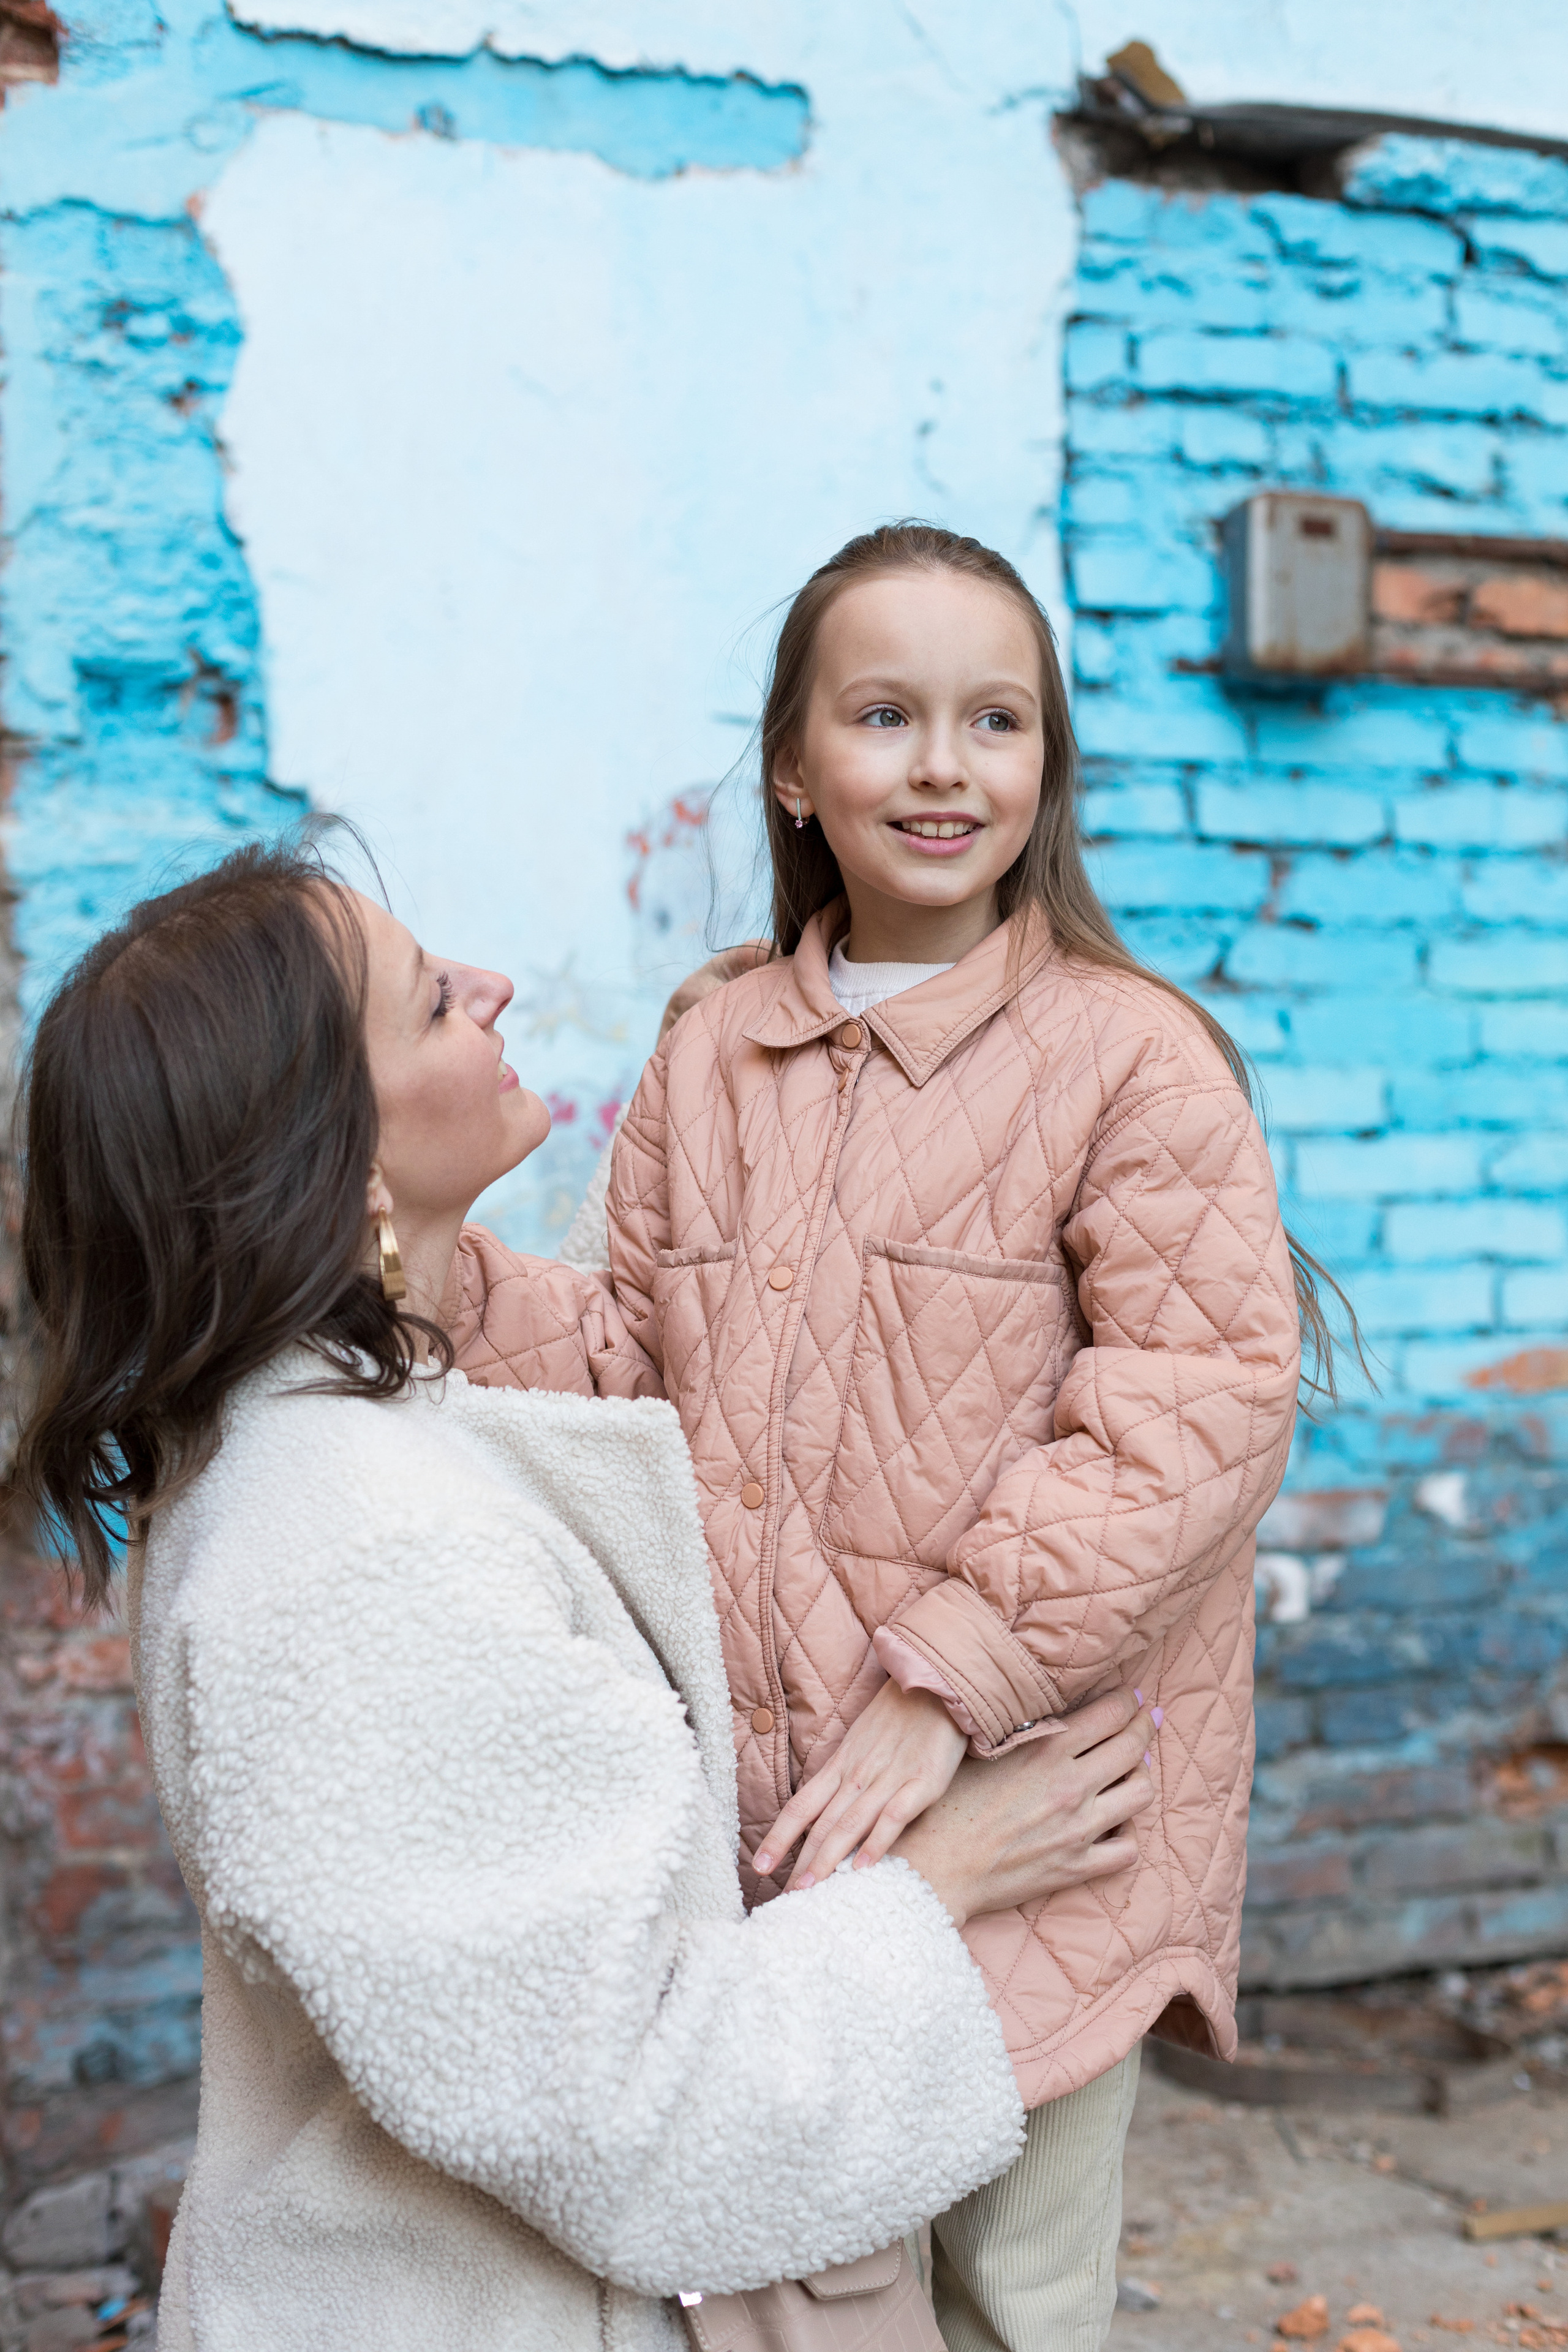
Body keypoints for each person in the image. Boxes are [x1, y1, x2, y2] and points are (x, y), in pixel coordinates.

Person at [7, 840, 1159, 2352]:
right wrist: (935, 1885)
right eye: (429, 1003)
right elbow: (627, 2118)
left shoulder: (345, 1450)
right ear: (339, 1157)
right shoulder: (357, 1552)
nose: (489, 989)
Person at [518, 523, 1338, 2352]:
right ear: (798, 769)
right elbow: (613, 1349)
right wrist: (398, 1273)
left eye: (998, 721)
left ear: (1047, 768)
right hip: (791, 1818)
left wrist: (947, 1672)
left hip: (1033, 1802)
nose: (946, 766)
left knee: (1013, 2285)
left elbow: (1196, 1407)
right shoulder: (713, 1047)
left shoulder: (1126, 1061)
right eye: (886, 716)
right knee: (811, 2274)